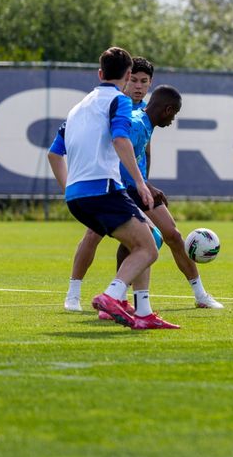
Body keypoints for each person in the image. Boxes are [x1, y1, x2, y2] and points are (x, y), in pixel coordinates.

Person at [59, 62, 223, 312]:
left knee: (173, 236)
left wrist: (146, 183)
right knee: (96, 236)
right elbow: (118, 148)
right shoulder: (118, 108)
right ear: (125, 79)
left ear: (150, 85)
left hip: (139, 187)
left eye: (143, 81)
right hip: (115, 185)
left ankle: (200, 294)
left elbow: (143, 151)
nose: (137, 86)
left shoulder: (146, 113)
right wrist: (143, 182)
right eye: (133, 80)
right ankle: (77, 294)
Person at [45, 47, 172, 330]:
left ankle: (143, 312)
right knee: (149, 247)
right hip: (104, 189)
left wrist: (69, 189)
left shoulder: (78, 108)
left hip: (77, 197)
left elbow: (54, 154)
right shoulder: (120, 101)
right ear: (128, 76)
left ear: (100, 73)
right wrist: (141, 183)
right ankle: (112, 296)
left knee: (142, 240)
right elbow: (120, 140)